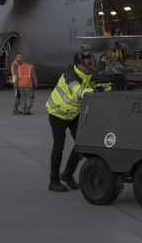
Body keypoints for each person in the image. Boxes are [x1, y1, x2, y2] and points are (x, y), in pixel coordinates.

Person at [45, 51, 106, 192]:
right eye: (89, 64)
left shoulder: (89, 73)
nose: (92, 66)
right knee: (58, 147)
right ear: (79, 65)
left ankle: (67, 174)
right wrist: (93, 93)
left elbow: (102, 82)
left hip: (74, 114)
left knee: (81, 144)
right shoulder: (69, 75)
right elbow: (77, 90)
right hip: (58, 113)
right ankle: (53, 181)